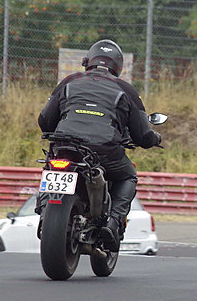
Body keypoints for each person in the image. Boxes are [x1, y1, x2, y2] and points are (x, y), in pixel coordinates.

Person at [36, 39, 161, 251]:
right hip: (104, 148)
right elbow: (142, 135)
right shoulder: (126, 90)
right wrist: (155, 138)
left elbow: (45, 121)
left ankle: (45, 207)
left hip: (64, 145)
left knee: (51, 163)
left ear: (89, 60)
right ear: (118, 66)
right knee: (128, 175)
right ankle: (113, 222)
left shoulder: (69, 81)